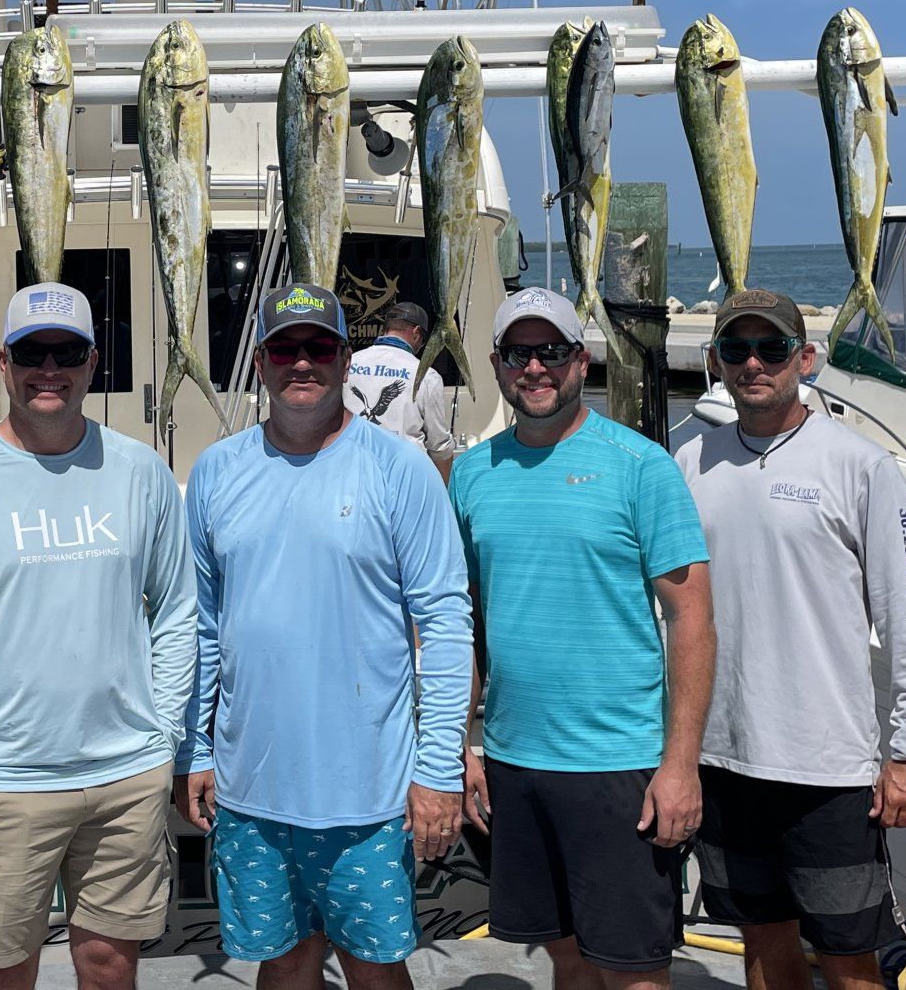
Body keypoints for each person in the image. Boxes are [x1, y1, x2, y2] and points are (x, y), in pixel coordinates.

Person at [0, 283, 195, 990]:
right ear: (3, 362)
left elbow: (178, 612)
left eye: (66, 352)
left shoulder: (141, 472)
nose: (48, 368)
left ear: (92, 363)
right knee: (3, 974)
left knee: (111, 967)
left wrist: (162, 734)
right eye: (32, 352)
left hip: (126, 778)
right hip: (5, 784)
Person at [176, 282, 472, 989]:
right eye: (285, 348)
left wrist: (437, 771)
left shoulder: (400, 468)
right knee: (282, 964)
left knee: (375, 971)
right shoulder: (216, 469)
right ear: (261, 363)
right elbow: (202, 624)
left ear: (345, 360)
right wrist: (196, 746)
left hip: (368, 796)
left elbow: (447, 624)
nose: (300, 363)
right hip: (250, 791)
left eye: (318, 348)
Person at [676, 290, 906, 990]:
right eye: (736, 349)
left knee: (851, 959)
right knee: (763, 942)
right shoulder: (684, 462)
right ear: (714, 362)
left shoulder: (863, 466)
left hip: (828, 766)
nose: (753, 363)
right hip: (721, 755)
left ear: (807, 357)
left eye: (772, 348)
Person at [454, 286, 715, 990]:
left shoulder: (640, 466)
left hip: (618, 764)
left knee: (633, 971)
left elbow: (691, 617)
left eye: (550, 352)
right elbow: (465, 621)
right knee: (561, 957)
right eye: (518, 353)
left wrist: (680, 765)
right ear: (496, 363)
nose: (534, 368)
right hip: (513, 761)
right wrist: (460, 744)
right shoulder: (473, 474)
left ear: (581, 360)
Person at [344, 301, 456, 479]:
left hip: (352, 474)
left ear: (386, 328)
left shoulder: (348, 364)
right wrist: (442, 492)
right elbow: (440, 446)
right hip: (404, 479)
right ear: (416, 332)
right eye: (423, 339)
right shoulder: (426, 375)